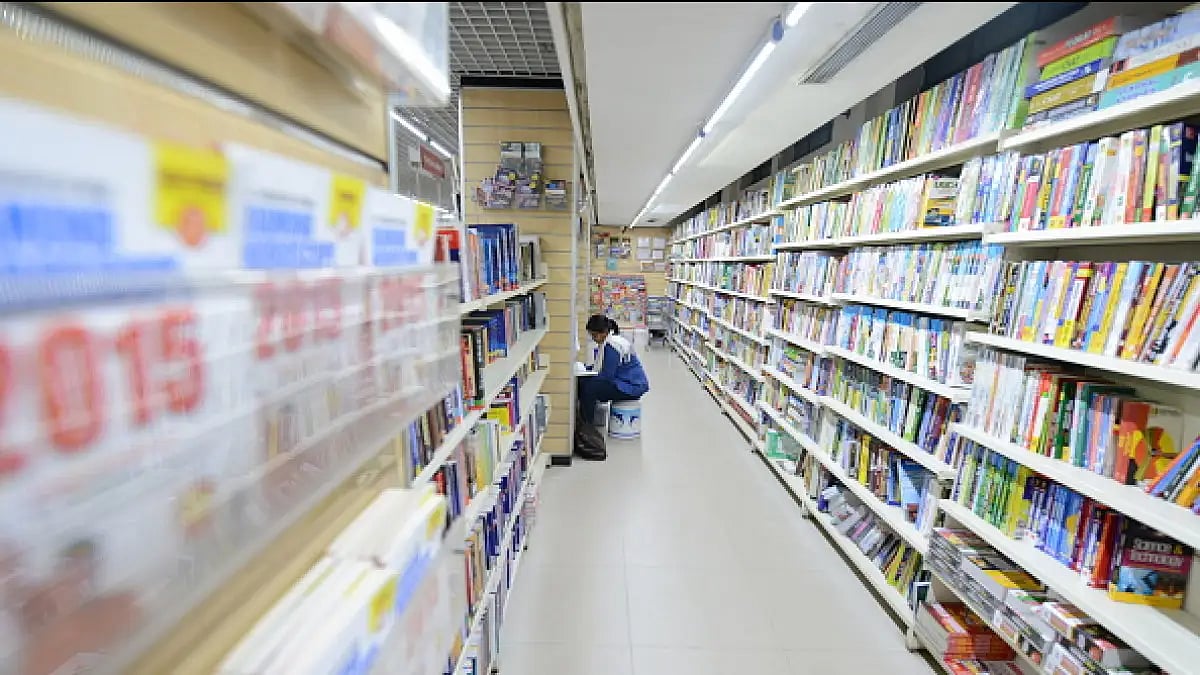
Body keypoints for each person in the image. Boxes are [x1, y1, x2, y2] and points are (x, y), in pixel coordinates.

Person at [575, 315, 650, 460]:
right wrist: (586, 369)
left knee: (590, 388)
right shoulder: (611, 341)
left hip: (631, 387)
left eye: (594, 335)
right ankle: (586, 423)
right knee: (588, 383)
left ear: (603, 332)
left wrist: (586, 375)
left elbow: (607, 376)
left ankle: (587, 429)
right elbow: (601, 369)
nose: (594, 339)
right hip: (627, 382)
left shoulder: (612, 346)